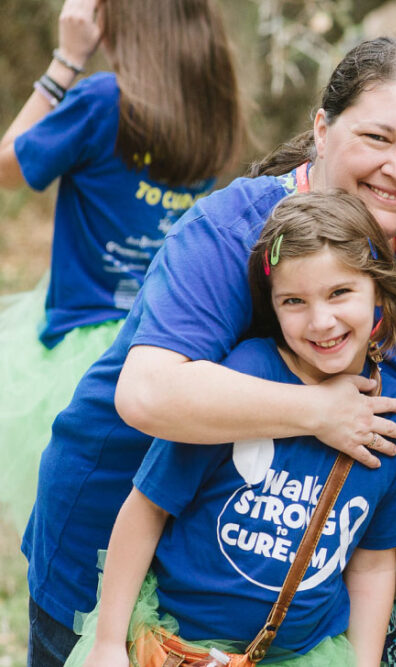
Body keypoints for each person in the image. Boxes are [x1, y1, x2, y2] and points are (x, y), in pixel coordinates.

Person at [22, 36, 396, 667]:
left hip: (280, 602)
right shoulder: (229, 231)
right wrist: (319, 411)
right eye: (377, 138)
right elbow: (147, 393)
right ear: (321, 129)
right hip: (120, 575)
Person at [67, 191, 396, 667]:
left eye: (340, 293)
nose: (322, 321)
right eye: (294, 300)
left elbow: (373, 563)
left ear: (379, 290)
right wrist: (109, 643)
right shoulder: (242, 378)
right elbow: (147, 508)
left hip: (302, 654)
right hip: (178, 648)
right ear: (272, 306)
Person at [0, 0, 244, 532]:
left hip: (84, 356)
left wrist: (66, 60)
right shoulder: (214, 107)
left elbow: (7, 167)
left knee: (75, 532)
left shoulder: (102, 99)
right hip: (171, 343)